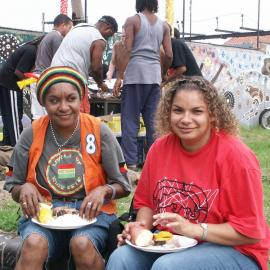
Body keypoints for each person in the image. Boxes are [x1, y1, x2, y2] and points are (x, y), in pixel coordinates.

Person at [106, 76, 270, 270]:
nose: (185, 119)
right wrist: (139, 228)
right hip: (175, 244)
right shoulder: (159, 149)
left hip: (237, 251)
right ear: (168, 112)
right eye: (178, 110)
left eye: (197, 111)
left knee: (167, 267)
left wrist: (193, 229)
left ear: (213, 115)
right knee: (121, 258)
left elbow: (250, 231)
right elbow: (147, 204)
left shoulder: (237, 157)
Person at [4, 66, 131, 270]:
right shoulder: (32, 134)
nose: (64, 107)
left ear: (80, 99)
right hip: (45, 214)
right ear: (43, 102)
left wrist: (104, 190)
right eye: (54, 100)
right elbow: (14, 185)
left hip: (91, 214)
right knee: (33, 244)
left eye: (71, 99)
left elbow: (123, 186)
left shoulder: (98, 131)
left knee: (82, 245)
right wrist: (24, 188)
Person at [113, 0, 173, 171]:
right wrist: (162, 73)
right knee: (153, 122)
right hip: (154, 77)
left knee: (130, 121)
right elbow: (168, 54)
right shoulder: (164, 26)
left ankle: (131, 164)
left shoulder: (133, 20)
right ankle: (154, 162)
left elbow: (127, 49)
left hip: (135, 76)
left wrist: (119, 76)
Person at [51, 15, 118, 113]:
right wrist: (101, 84)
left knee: (61, 111)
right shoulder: (98, 39)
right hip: (72, 78)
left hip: (53, 74)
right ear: (108, 28)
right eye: (109, 35)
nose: (107, 38)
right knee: (81, 115)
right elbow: (96, 68)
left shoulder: (79, 27)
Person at [0, 36, 43, 146]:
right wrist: (30, 80)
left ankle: (6, 144)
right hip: (11, 84)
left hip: (5, 82)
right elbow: (19, 73)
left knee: (7, 116)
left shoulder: (29, 48)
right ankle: (18, 146)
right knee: (14, 117)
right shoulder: (32, 51)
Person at [30, 14, 73, 120]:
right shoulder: (57, 37)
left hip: (36, 77)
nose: (69, 31)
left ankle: (37, 136)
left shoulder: (47, 36)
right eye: (69, 27)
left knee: (37, 114)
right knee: (47, 115)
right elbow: (60, 62)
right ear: (63, 25)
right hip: (45, 78)